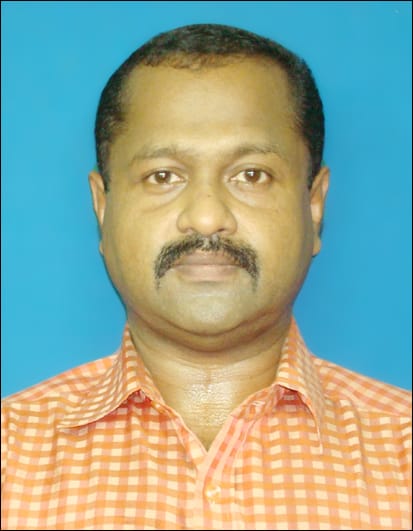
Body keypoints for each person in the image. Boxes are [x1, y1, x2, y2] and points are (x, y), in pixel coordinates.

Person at [1, 23, 411, 531]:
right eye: (163, 176)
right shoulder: (10, 456)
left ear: (314, 205)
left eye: (251, 175)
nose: (206, 217)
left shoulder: (403, 450)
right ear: (103, 208)